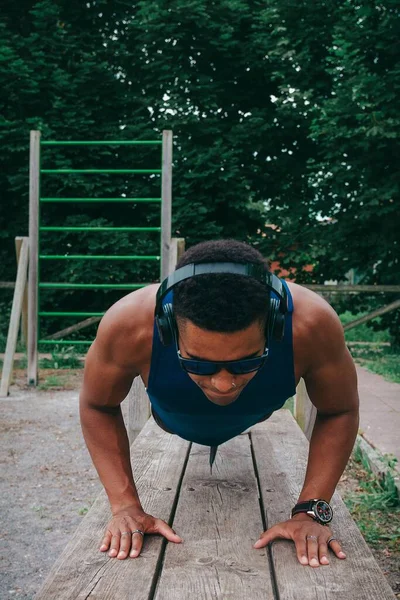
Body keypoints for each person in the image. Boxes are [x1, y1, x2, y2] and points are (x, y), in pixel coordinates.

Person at [79, 239, 359, 568]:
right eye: (199, 364)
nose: (224, 384)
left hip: (255, 411)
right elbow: (97, 405)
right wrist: (125, 506)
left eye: (245, 362)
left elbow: (339, 409)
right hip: (172, 416)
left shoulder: (311, 323)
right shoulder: (129, 324)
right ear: (168, 329)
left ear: (274, 324)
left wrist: (312, 511)